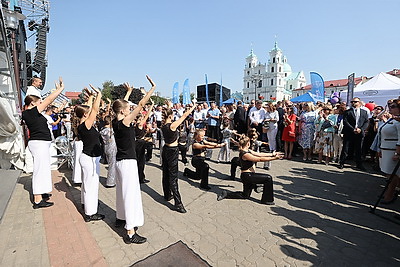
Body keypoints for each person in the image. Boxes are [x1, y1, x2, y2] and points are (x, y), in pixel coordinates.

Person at [112, 76, 155, 244]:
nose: (130, 110)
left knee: (121, 192)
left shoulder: (116, 122)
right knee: (130, 195)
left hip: (120, 162)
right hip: (128, 162)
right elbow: (141, 105)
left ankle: (121, 218)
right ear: (123, 111)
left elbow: (122, 105)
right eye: (128, 108)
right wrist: (151, 89)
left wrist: (128, 93)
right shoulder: (125, 121)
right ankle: (130, 232)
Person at [22, 77, 64, 209]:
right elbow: (49, 99)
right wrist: (60, 89)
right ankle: (37, 199)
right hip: (39, 144)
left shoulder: (31, 113)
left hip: (41, 143)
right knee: (40, 170)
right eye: (39, 102)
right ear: (33, 104)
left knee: (43, 169)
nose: (42, 103)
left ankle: (42, 192)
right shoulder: (30, 113)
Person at [217, 135, 283, 204]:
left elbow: (259, 154)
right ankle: (267, 199)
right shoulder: (245, 154)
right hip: (247, 176)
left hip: (248, 176)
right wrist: (275, 158)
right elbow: (259, 159)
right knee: (268, 178)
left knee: (245, 195)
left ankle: (226, 194)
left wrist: (272, 154)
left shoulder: (247, 151)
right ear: (248, 143)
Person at [161, 100, 197, 213]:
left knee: (165, 173)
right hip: (172, 150)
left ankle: (167, 195)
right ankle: (178, 203)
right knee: (173, 177)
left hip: (166, 149)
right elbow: (185, 116)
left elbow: (169, 113)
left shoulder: (163, 125)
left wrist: (169, 106)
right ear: (171, 116)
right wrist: (193, 107)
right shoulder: (172, 125)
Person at [76, 84, 104, 222]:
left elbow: (88, 109)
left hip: (88, 157)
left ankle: (86, 204)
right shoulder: (86, 125)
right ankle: (90, 213)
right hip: (90, 159)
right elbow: (94, 109)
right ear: (85, 114)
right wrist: (98, 95)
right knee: (91, 186)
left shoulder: (82, 123)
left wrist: (91, 97)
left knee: (86, 185)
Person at [377, 99, 400, 204]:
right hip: (385, 150)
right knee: (387, 174)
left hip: (392, 151)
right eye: (390, 106)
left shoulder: (398, 122)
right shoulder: (392, 120)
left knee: (393, 175)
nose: (390, 108)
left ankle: (390, 195)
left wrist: (397, 153)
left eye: (393, 106)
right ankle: (388, 193)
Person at [339, 97, 369, 170]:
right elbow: (345, 122)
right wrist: (353, 129)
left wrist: (361, 129)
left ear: (359, 102)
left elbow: (366, 122)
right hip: (349, 132)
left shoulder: (364, 112)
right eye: (352, 102)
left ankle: (359, 164)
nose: (353, 103)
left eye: (355, 102)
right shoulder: (347, 111)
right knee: (346, 148)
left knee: (359, 149)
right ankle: (342, 162)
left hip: (359, 133)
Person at [135, 101, 154, 184]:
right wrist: (151, 106)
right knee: (141, 161)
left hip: (139, 142)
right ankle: (141, 178)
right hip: (140, 143)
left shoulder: (136, 126)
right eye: (141, 118)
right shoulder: (139, 125)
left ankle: (139, 176)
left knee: (139, 160)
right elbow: (147, 116)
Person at [100, 115, 117, 188]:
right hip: (112, 147)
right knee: (112, 165)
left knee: (111, 164)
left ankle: (112, 179)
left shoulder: (103, 130)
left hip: (106, 147)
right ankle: (110, 182)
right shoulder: (110, 131)